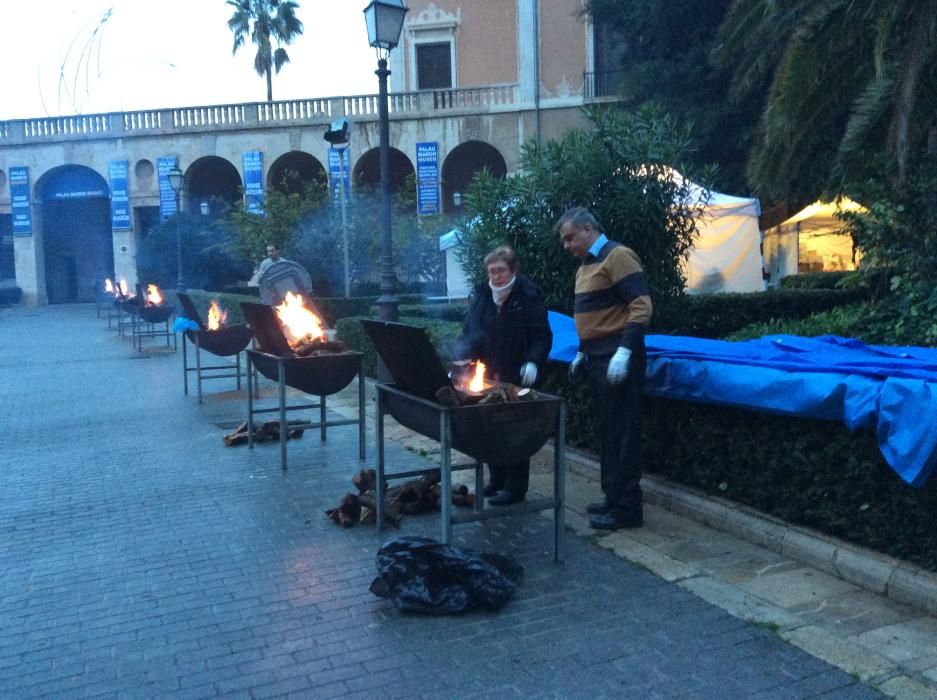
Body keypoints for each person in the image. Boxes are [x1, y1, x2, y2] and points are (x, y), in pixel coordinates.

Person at [555, 207, 652, 530]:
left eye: (570, 238)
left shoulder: (618, 256)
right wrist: (583, 352)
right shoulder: (585, 266)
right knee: (608, 430)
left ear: (588, 229)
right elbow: (591, 317)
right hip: (597, 355)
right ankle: (613, 496)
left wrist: (625, 351)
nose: (567, 246)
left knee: (624, 431)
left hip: (618, 353)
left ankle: (627, 510)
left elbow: (641, 305)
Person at [454, 246, 553, 505]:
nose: (495, 276)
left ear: (513, 270)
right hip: (487, 372)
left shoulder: (528, 295)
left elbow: (542, 335)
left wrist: (533, 361)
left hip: (517, 372)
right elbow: (469, 330)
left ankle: (515, 488)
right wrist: (460, 359)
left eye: (500, 271)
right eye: (491, 271)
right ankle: (496, 479)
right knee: (488, 426)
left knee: (516, 430)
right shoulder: (483, 295)